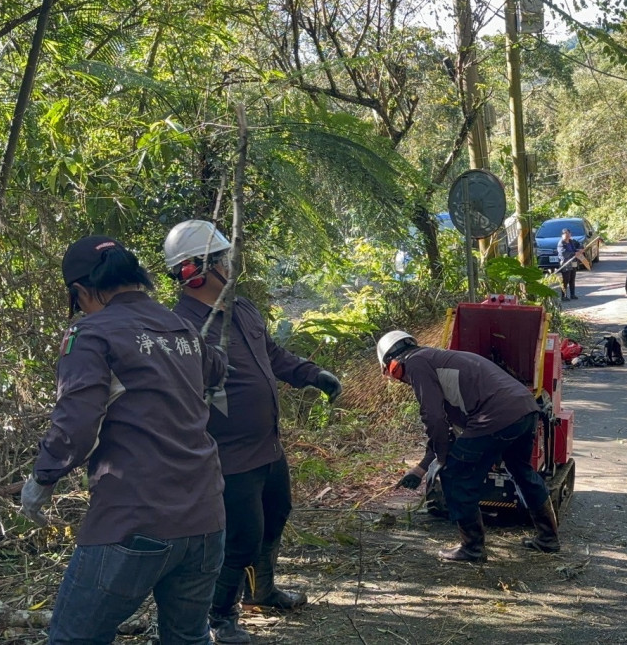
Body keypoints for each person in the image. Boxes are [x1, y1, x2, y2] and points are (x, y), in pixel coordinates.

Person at [21, 235, 228, 645]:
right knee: (188, 637)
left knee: (73, 638)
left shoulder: (91, 333)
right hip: (206, 516)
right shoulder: (182, 326)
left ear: (80, 292)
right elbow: (216, 371)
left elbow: (75, 424)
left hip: (134, 518)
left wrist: (43, 478)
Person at [165, 220, 342, 645]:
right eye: (222, 258)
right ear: (196, 271)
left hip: (268, 446)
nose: (230, 264)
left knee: (275, 516)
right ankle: (219, 617)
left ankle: (262, 590)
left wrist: (311, 374)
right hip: (227, 455)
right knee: (241, 537)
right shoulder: (183, 327)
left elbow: (273, 354)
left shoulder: (243, 309)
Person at [376, 330, 559, 563]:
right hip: (525, 410)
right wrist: (421, 468)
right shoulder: (437, 359)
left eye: (394, 374)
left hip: (496, 416)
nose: (400, 380)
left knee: (455, 474)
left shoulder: (416, 363)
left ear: (393, 363)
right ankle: (548, 538)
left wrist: (443, 460)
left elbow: (432, 418)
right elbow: (446, 429)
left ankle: (472, 547)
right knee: (520, 470)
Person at [556, 228, 583, 300]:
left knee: (572, 278)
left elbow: (578, 246)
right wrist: (574, 253)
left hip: (573, 262)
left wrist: (579, 250)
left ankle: (572, 294)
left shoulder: (571, 241)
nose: (567, 235)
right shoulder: (561, 243)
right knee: (566, 279)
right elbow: (564, 254)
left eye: (568, 233)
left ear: (570, 234)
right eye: (565, 233)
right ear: (562, 235)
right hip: (565, 263)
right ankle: (564, 296)